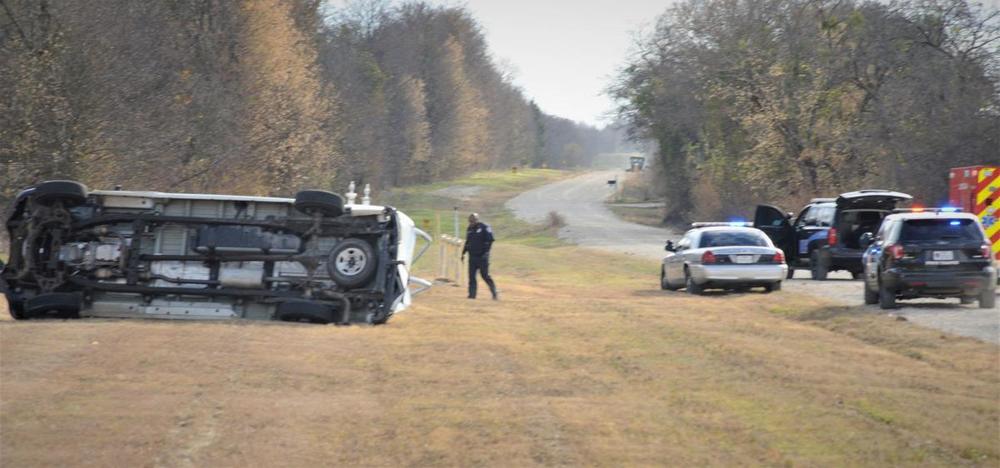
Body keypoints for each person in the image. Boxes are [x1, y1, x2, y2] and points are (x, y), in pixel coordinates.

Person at [461, 213, 498, 300]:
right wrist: (463, 253)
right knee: (471, 276)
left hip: (482, 257)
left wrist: (486, 252)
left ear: (477, 220)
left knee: (485, 275)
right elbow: (468, 242)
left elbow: (490, 240)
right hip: (472, 257)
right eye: (470, 221)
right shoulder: (469, 229)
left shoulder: (484, 227)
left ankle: (494, 292)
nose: (471, 222)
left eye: (473, 221)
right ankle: (472, 295)